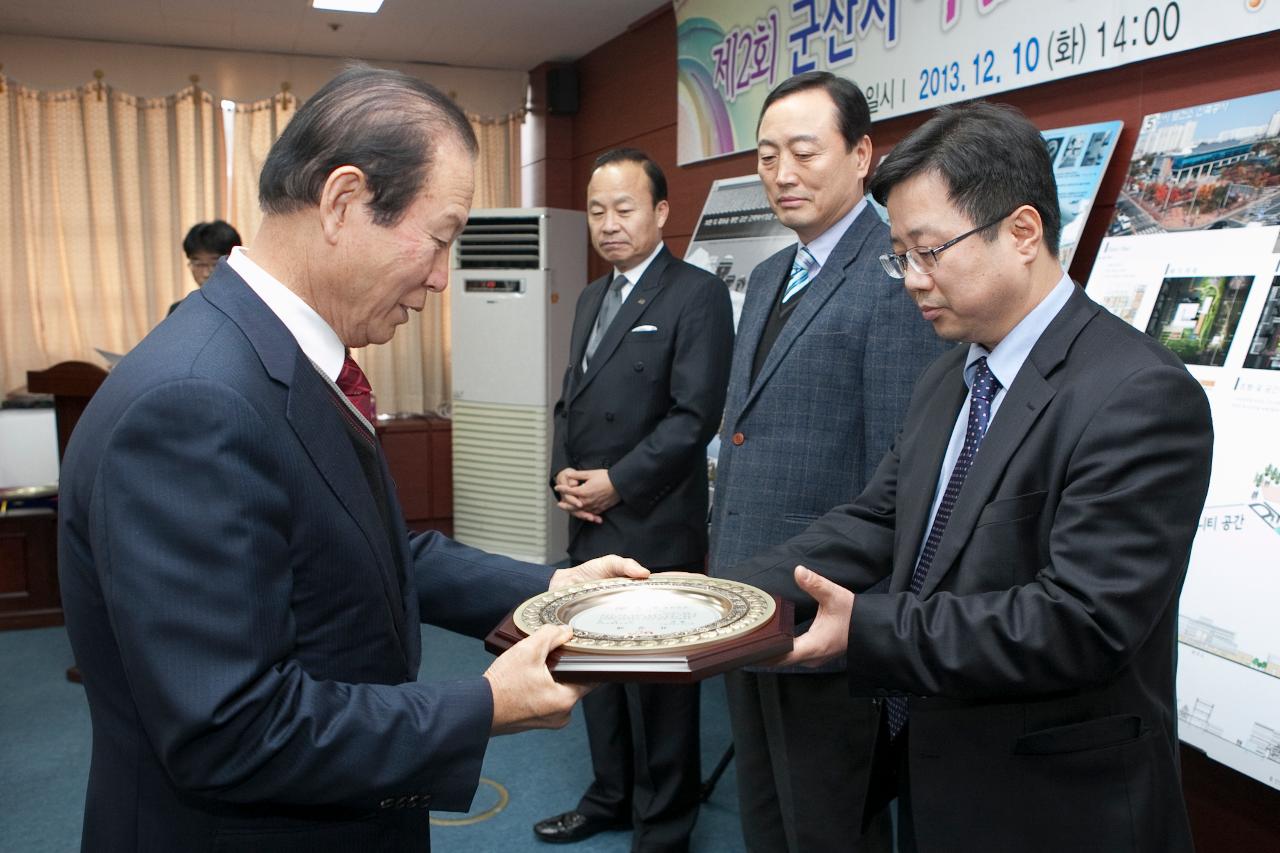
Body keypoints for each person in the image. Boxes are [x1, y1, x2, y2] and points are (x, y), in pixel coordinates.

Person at [57, 65, 650, 853]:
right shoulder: (194, 401)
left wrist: (552, 588)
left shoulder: (283, 359)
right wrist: (483, 705)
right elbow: (230, 730)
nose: (443, 277)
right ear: (342, 202)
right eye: (439, 239)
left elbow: (364, 554)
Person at [740, 101, 1214, 853]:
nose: (911, 280)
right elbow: (881, 519)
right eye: (900, 256)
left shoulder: (1137, 394)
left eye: (929, 251)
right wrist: (729, 595)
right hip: (937, 775)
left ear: (1023, 232)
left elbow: (1080, 623)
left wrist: (866, 629)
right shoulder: (949, 377)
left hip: (1057, 806)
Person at [708, 71, 946, 853]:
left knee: (831, 826)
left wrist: (867, 620)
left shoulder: (895, 274)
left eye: (804, 152)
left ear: (862, 155)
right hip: (745, 596)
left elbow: (897, 473)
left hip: (828, 613)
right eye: (768, 154)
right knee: (766, 812)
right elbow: (741, 432)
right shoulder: (774, 272)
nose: (782, 173)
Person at [534, 149, 734, 851]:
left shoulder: (697, 293)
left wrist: (616, 480)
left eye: (624, 209)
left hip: (654, 522)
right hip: (591, 521)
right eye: (596, 210)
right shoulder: (592, 295)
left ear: (660, 212)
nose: (609, 224)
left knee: (659, 686)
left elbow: (693, 416)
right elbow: (570, 401)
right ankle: (611, 795)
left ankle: (665, 822)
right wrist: (564, 475)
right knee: (596, 673)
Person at [171, 219, 242, 314]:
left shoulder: (250, 308)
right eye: (199, 264)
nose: (206, 273)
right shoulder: (178, 311)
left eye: (215, 263)